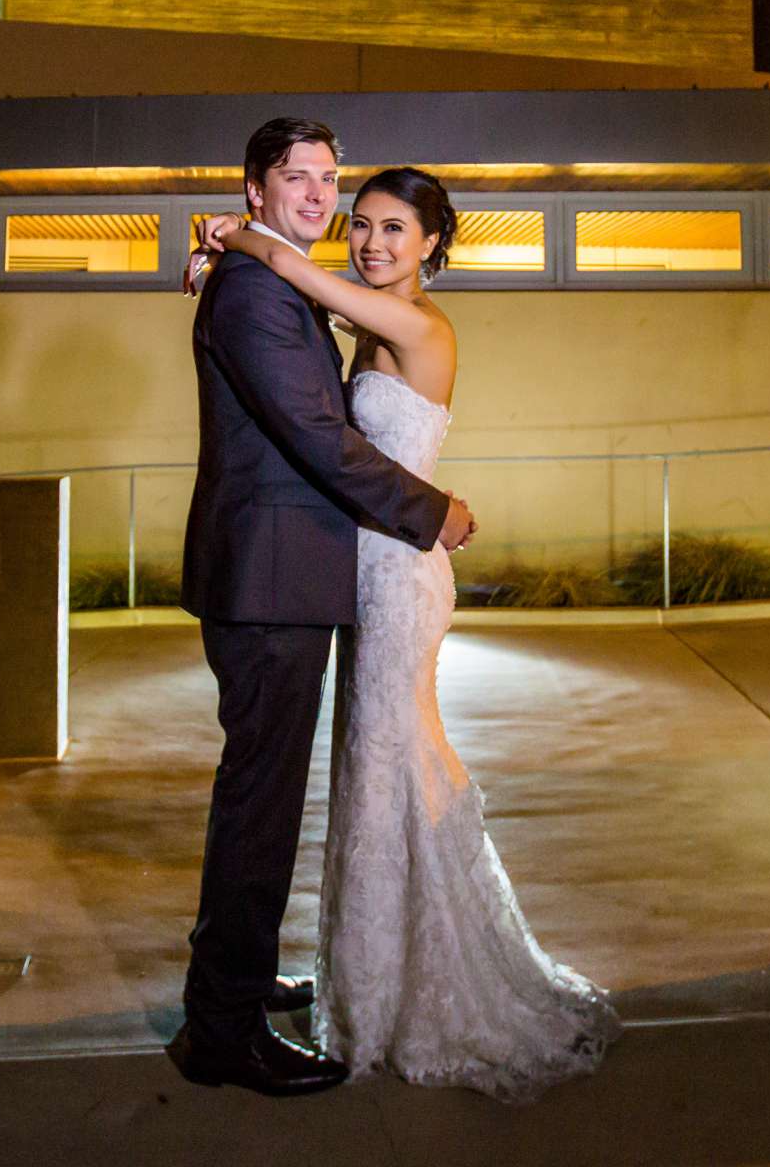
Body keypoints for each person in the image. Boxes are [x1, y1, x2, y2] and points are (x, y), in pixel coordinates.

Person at [195, 165, 619, 1105]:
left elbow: (303, 283)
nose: (374, 243)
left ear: (434, 243)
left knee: (393, 757)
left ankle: (414, 988)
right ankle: (366, 974)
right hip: (364, 569)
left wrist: (240, 235)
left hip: (401, 568)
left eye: (396, 230)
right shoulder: (366, 317)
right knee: (368, 765)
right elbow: (300, 320)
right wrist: (231, 240)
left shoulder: (419, 326)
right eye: (363, 226)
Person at [174, 117, 479, 1099]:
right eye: (293, 179)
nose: (317, 196)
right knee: (260, 803)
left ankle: (243, 980)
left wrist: (231, 234)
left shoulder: (288, 282)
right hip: (272, 581)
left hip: (303, 575)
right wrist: (434, 511)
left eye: (326, 180)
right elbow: (318, 436)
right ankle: (221, 1029)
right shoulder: (263, 291)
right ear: (256, 183)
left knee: (279, 793)